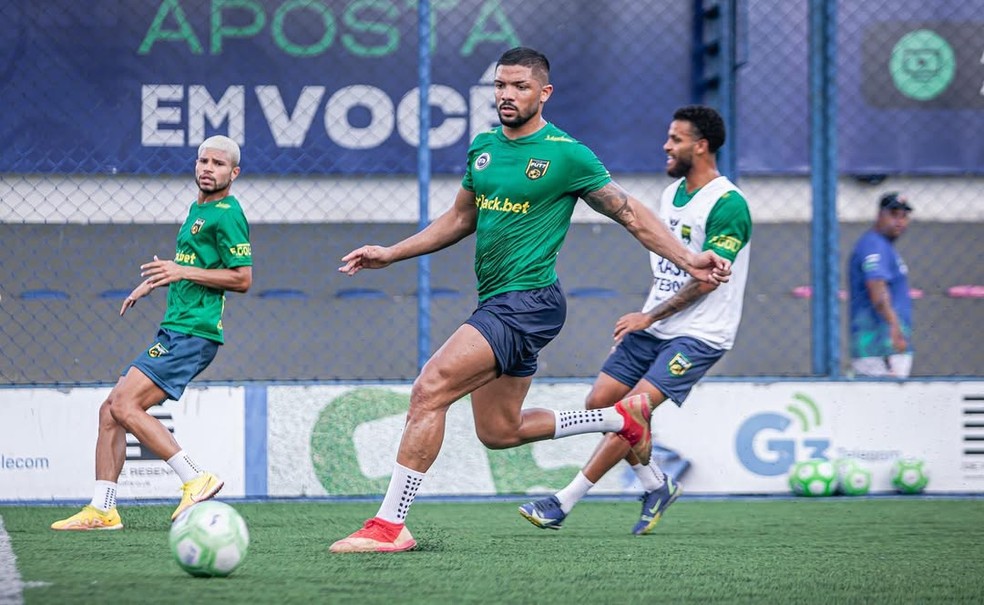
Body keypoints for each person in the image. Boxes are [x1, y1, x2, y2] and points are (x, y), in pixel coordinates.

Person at [330, 48, 732, 554]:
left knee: (429, 389)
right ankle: (619, 419)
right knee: (500, 431)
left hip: (528, 302)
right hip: (500, 302)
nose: (506, 95)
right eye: (500, 85)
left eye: (519, 86)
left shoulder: (567, 154)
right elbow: (460, 218)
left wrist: (690, 259)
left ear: (544, 93)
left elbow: (630, 213)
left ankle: (390, 525)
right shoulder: (483, 148)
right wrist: (392, 253)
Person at [517, 105, 752, 535]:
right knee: (599, 403)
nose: (666, 146)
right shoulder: (671, 194)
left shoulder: (728, 204)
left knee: (630, 411)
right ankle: (656, 484)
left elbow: (707, 280)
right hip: (655, 324)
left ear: (701, 146)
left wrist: (649, 316)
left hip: (700, 334)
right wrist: (650, 318)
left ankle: (563, 501)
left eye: (676, 139)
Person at [51, 135, 253, 530]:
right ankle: (103, 508)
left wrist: (180, 271)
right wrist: (159, 280)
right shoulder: (198, 208)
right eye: (203, 161)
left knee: (125, 405)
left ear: (234, 173)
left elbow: (242, 279)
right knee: (110, 409)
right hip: (177, 326)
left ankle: (196, 477)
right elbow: (195, 264)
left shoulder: (228, 214)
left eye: (218, 164)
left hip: (194, 332)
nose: (208, 169)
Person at [848, 192, 914, 378]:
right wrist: (894, 327)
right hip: (881, 348)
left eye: (904, 216)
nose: (899, 221)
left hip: (882, 347)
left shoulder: (882, 246)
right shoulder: (874, 245)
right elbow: (877, 287)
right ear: (880, 215)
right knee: (888, 395)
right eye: (893, 214)